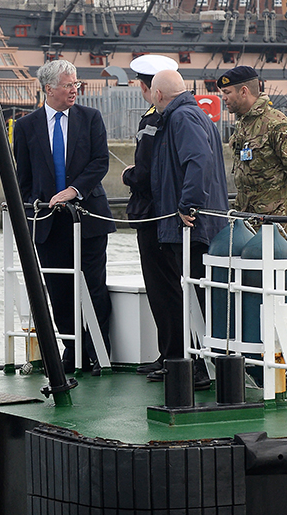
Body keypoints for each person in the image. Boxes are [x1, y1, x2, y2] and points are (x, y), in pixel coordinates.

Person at [12, 60, 116, 375]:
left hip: (88, 217)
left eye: (76, 84)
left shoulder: (90, 118)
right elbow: (23, 177)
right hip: (48, 223)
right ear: (49, 88)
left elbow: (100, 162)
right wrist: (36, 205)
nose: (75, 90)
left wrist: (73, 191)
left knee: (94, 285)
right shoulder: (26, 126)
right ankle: (71, 351)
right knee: (58, 289)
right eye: (68, 85)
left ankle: (98, 352)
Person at [217, 65, 287, 362]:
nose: (224, 99)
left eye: (227, 93)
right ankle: (262, 342)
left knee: (283, 282)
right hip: (250, 219)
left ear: (244, 91)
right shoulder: (243, 126)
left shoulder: (276, 124)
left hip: (276, 220)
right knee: (257, 283)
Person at [147, 69, 229, 390]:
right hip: (199, 225)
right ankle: (202, 364)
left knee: (195, 295)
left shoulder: (181, 118)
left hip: (192, 227)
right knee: (196, 294)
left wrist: (187, 206)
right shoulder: (193, 115)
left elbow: (198, 160)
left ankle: (201, 368)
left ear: (158, 95)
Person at [121, 55, 181, 377]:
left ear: (146, 87)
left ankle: (172, 356)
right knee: (173, 287)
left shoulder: (151, 121)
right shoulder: (176, 117)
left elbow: (145, 173)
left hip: (153, 217)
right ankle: (173, 354)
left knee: (163, 288)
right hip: (169, 215)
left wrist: (128, 176)